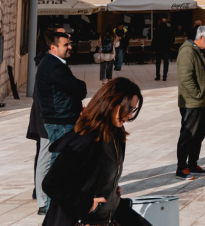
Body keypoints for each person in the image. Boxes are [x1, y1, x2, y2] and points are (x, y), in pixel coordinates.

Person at [42, 77, 151, 226]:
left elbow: (96, 173)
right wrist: (86, 205)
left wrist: (110, 186)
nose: (130, 115)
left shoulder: (117, 135)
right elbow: (51, 183)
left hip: (107, 215)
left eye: (133, 109)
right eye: (128, 109)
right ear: (111, 103)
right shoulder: (86, 140)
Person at [35, 29, 87, 213]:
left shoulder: (54, 64)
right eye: (66, 45)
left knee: (63, 168)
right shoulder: (54, 66)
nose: (70, 47)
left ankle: (57, 211)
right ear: (53, 47)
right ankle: (53, 213)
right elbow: (78, 88)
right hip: (60, 122)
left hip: (61, 120)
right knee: (59, 170)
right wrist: (80, 88)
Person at [28, 27, 69, 215]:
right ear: (53, 45)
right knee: (45, 159)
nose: (69, 42)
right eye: (65, 39)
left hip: (53, 119)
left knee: (52, 158)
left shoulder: (54, 63)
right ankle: (43, 201)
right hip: (48, 120)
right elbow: (40, 98)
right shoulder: (48, 64)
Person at [176, 25, 205, 179]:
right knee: (188, 134)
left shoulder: (201, 50)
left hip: (201, 100)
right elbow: (185, 78)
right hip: (191, 102)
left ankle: (192, 164)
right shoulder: (187, 51)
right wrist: (198, 94)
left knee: (199, 134)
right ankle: (181, 167)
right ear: (200, 37)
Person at [152, 17, 173, 81]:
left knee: (158, 63)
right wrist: (170, 46)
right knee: (166, 63)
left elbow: (154, 40)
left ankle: (158, 76)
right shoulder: (169, 29)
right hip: (166, 49)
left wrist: (153, 49)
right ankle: (164, 76)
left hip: (158, 49)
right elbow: (172, 38)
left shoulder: (157, 30)